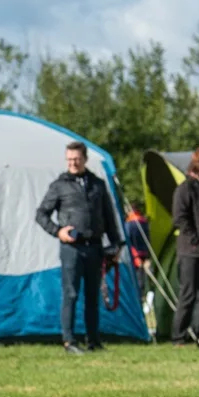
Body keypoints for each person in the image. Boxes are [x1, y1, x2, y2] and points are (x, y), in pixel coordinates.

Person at [35, 141, 125, 355]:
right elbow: (41, 214)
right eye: (69, 160)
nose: (73, 163)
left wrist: (116, 244)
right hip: (71, 249)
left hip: (95, 247)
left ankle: (93, 340)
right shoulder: (60, 185)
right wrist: (58, 231)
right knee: (71, 294)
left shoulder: (98, 184)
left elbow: (109, 217)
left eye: (76, 159)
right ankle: (69, 341)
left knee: (92, 296)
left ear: (85, 159)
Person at [171, 148, 199, 347]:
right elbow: (180, 218)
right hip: (190, 250)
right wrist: (195, 239)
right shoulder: (185, 188)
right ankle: (178, 336)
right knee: (189, 294)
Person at [124, 207, 151, 295]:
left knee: (134, 279)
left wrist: (135, 256)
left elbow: (127, 241)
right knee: (141, 278)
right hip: (144, 254)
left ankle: (137, 296)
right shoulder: (144, 223)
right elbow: (148, 240)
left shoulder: (129, 224)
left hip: (133, 255)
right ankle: (142, 295)